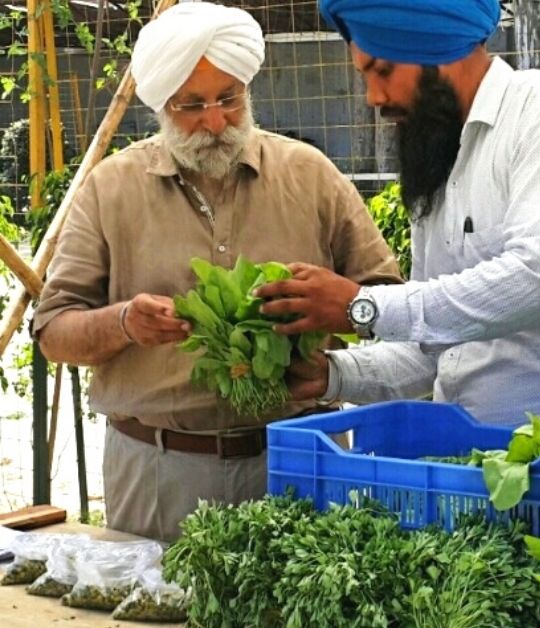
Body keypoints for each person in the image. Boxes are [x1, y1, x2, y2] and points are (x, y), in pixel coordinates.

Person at [33, 2, 402, 542]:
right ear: (162, 105)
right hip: (158, 467)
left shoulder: (310, 175)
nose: (215, 120)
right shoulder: (110, 189)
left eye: (230, 98)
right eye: (192, 105)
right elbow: (54, 333)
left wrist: (338, 307)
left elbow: (391, 303)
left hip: (297, 457)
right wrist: (124, 324)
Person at [253, 0, 540, 436]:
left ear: (437, 49)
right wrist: (333, 374)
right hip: (482, 464)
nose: (374, 97)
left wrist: (362, 306)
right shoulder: (438, 162)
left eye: (382, 71)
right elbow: (439, 347)